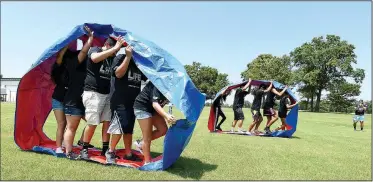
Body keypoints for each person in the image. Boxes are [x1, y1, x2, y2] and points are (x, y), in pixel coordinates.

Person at [80, 36, 125, 159]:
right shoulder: (96, 49)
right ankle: (84, 149)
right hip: (93, 93)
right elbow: (94, 59)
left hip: (107, 94)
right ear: (107, 45)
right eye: (115, 50)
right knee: (93, 122)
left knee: (107, 122)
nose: (115, 53)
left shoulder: (112, 58)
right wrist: (115, 48)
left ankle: (105, 150)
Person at [105, 47, 147, 164]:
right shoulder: (120, 57)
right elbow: (118, 74)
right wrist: (128, 56)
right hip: (120, 101)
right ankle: (110, 151)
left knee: (128, 129)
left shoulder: (138, 64)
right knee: (118, 127)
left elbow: (147, 77)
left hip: (133, 102)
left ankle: (128, 154)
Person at [62, 26, 94, 159]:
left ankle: (80, 141)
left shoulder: (83, 64)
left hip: (82, 101)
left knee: (93, 121)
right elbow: (84, 51)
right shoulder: (73, 63)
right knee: (71, 127)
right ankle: (69, 152)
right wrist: (90, 38)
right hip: (73, 100)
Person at [133, 82, 176, 165]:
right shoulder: (158, 83)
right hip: (142, 107)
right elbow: (155, 104)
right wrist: (166, 116)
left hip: (153, 110)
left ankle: (140, 143)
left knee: (163, 130)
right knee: (147, 137)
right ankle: (147, 162)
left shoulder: (173, 88)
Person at [50, 46, 69, 154]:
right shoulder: (57, 69)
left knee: (67, 124)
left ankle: (64, 144)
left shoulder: (71, 69)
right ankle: (58, 147)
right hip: (58, 98)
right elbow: (59, 58)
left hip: (69, 99)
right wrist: (66, 45)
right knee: (62, 123)